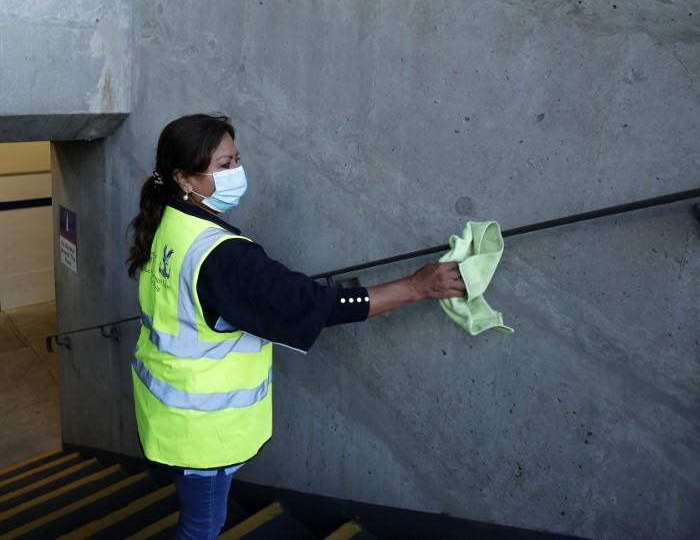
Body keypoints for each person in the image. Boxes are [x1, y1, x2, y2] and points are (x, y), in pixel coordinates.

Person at [126, 113, 466, 540]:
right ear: (183, 178)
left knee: (199, 515)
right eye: (224, 166)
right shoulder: (221, 255)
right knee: (202, 526)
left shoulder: (169, 223)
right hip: (203, 431)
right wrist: (416, 287)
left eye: (237, 160)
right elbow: (308, 305)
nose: (237, 173)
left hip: (169, 412)